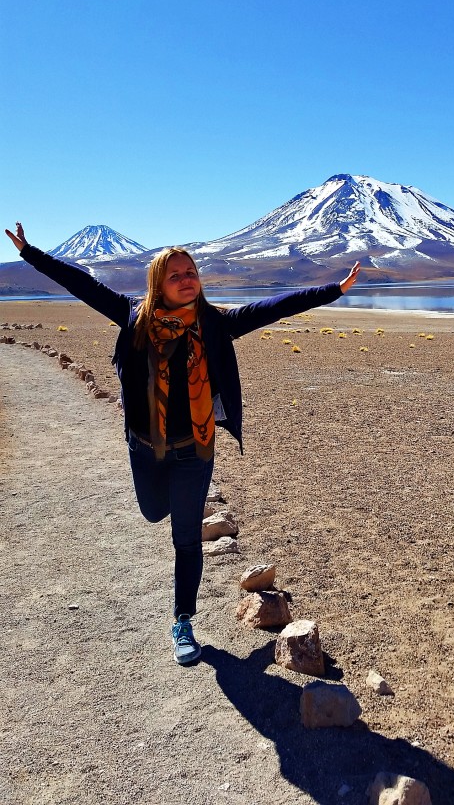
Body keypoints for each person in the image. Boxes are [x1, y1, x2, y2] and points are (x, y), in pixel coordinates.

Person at [5, 221, 360, 665]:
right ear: (159, 283)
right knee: (153, 511)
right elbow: (81, 284)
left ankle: (183, 621)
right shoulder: (134, 318)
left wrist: (333, 290)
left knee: (186, 539)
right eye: (175, 275)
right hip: (145, 447)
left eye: (191, 271)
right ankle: (173, 503)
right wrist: (30, 252)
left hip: (195, 448)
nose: (186, 279)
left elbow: (274, 307)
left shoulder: (214, 324)